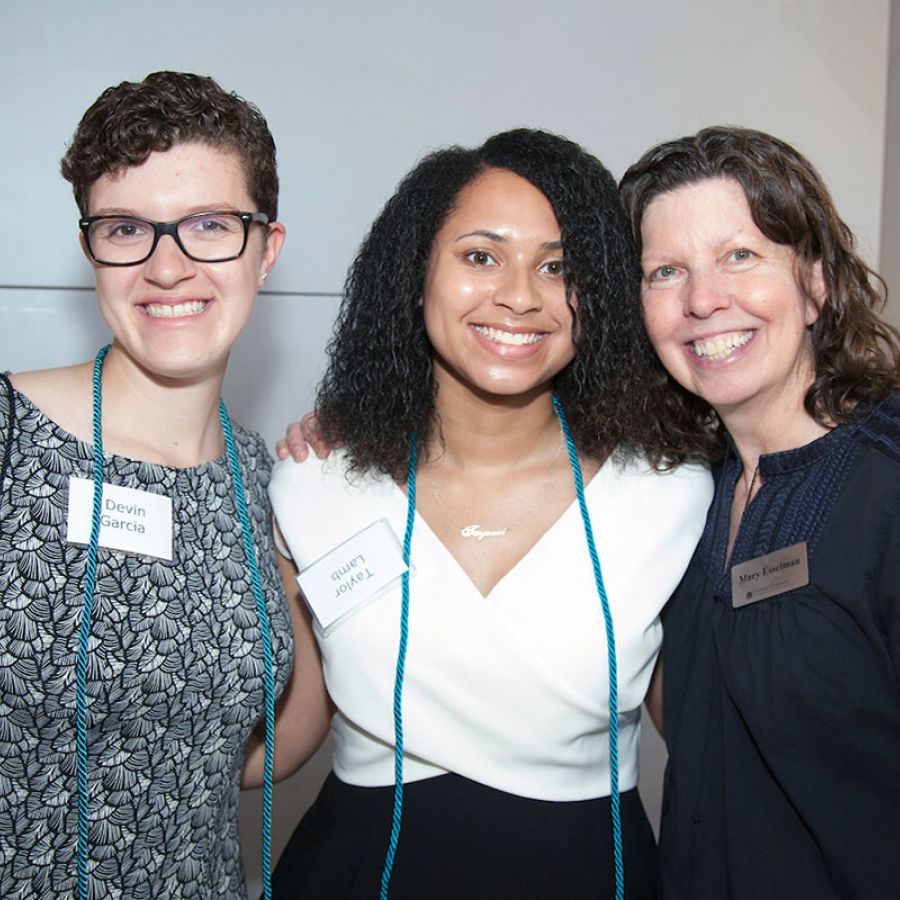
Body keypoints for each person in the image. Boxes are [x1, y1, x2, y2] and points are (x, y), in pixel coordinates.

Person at [268, 128, 712, 899]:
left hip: (591, 872)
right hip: (361, 870)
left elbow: (722, 739)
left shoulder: (670, 494)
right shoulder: (314, 485)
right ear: (416, 274)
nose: (519, 295)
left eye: (558, 266)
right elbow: (286, 738)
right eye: (481, 256)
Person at [0, 72, 329, 899]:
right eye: (125, 229)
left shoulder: (263, 478)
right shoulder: (9, 441)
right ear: (92, 249)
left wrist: (345, 526)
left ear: (268, 248)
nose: (168, 266)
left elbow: (255, 750)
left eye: (210, 226)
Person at [619, 126, 900, 899]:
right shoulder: (688, 497)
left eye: (740, 255)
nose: (704, 300)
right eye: (666, 271)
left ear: (814, 283)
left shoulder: (886, 490)